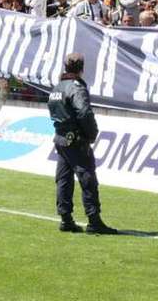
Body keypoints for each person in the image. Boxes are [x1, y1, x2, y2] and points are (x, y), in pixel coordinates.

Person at [47, 53, 118, 234]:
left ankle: (66, 218)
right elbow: (84, 113)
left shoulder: (57, 87)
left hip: (61, 137)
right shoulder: (76, 87)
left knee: (63, 179)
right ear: (81, 68)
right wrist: (92, 133)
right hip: (76, 140)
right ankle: (94, 220)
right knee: (87, 179)